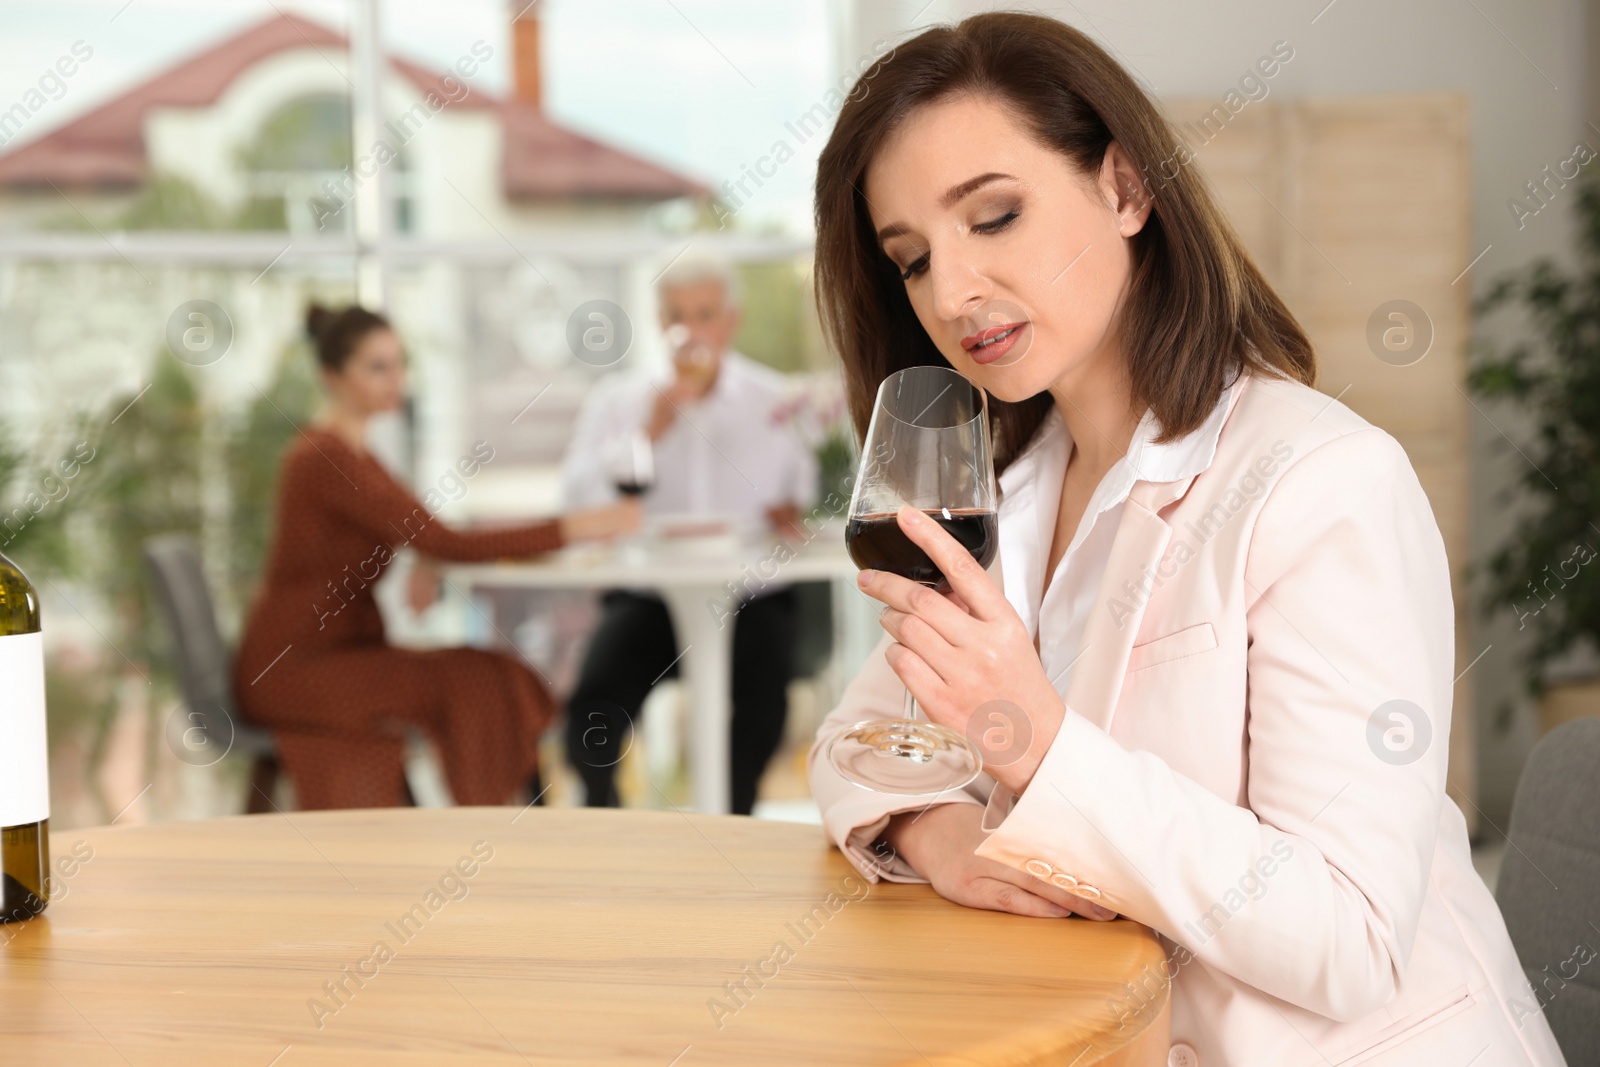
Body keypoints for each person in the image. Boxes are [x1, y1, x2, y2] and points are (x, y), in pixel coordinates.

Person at [806, 13, 1566, 1067]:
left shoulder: (1319, 482)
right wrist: (938, 836)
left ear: (1125, 189)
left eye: (994, 216)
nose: (949, 290)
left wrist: (1038, 743)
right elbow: (854, 744)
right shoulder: (999, 494)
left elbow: (1347, 938)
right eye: (911, 258)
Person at [234, 303, 639, 810]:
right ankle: (497, 825)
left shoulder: (356, 454)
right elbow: (445, 539)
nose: (395, 379)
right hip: (295, 669)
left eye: (399, 364)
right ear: (331, 376)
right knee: (476, 682)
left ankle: (508, 823)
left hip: (340, 655)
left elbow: (423, 534)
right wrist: (577, 525)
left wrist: (431, 558)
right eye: (377, 367)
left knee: (490, 674)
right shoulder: (324, 459)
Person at [561, 254, 817, 815]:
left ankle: (733, 820)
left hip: (752, 597)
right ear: (659, 321)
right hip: (648, 596)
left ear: (730, 321)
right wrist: (649, 430)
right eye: (677, 315)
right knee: (593, 708)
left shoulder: (772, 400)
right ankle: (601, 822)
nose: (692, 330)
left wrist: (789, 508)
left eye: (705, 314)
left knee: (762, 705)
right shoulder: (620, 402)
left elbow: (803, 492)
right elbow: (576, 500)